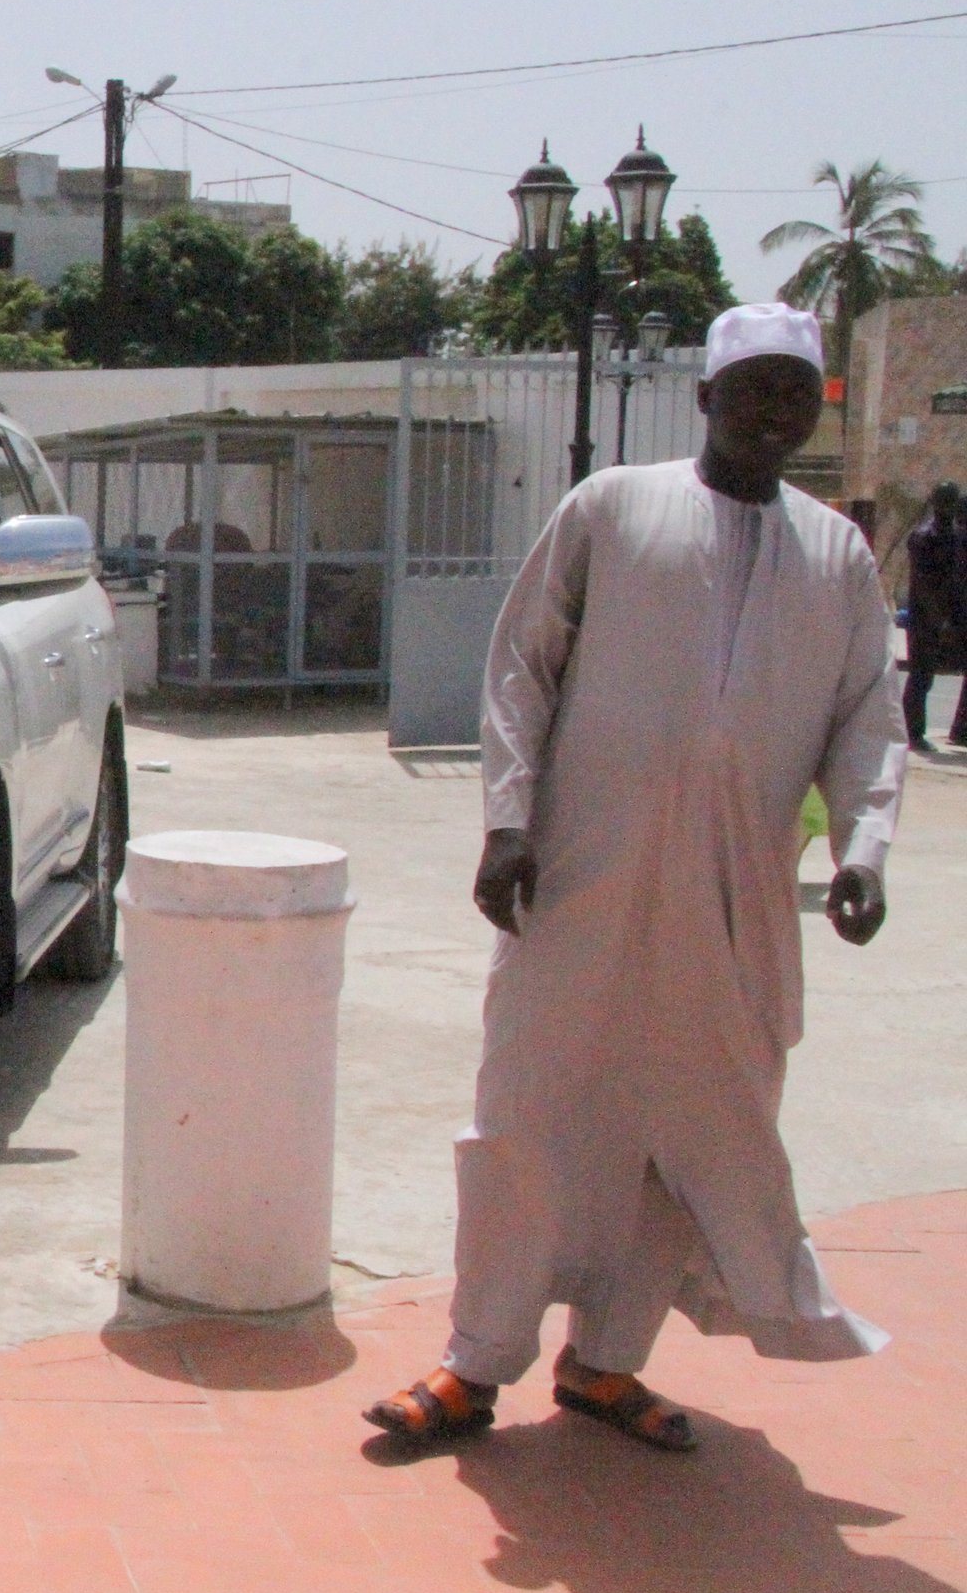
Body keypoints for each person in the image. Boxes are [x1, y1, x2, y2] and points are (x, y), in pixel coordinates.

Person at [366, 301, 905, 1454]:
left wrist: (863, 847)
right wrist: (507, 819)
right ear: (706, 398)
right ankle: (473, 1364)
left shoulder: (839, 555)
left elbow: (871, 715)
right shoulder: (612, 508)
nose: (774, 409)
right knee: (527, 1113)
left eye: (794, 391)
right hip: (578, 880)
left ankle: (606, 1362)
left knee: (692, 1130)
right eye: (752, 385)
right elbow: (523, 666)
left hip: (735, 904)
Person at [903, 480, 967, 749]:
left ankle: (962, 730)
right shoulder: (923, 536)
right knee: (921, 675)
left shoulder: (955, 536)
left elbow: (957, 579)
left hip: (951, 616)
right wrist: (938, 619)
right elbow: (924, 584)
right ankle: (911, 733)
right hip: (925, 617)